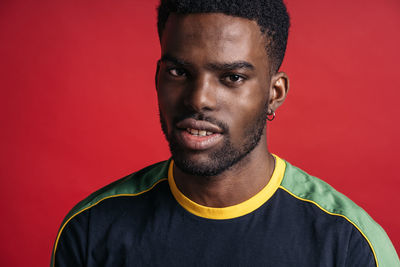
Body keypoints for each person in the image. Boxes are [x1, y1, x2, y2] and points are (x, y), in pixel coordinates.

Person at [51, 0, 399, 266]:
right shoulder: (90, 231)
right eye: (178, 71)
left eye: (232, 77)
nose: (198, 98)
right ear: (157, 79)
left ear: (274, 94)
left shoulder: (351, 246)